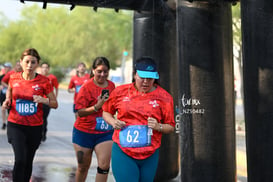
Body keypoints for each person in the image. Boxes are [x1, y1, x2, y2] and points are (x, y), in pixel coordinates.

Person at [102, 56, 175, 182]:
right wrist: (113, 122)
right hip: (123, 150)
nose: (146, 82)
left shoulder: (165, 97)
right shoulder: (120, 92)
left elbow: (171, 126)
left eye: (150, 78)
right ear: (135, 75)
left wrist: (159, 126)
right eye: (142, 77)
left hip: (150, 154)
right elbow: (106, 112)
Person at [3, 48, 58, 182]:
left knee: (28, 161)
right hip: (16, 125)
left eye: (33, 62)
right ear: (21, 62)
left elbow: (54, 104)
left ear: (37, 64)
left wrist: (44, 100)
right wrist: (7, 100)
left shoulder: (44, 81)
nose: (29, 65)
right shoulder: (13, 77)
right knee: (20, 159)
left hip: (35, 127)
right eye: (27, 62)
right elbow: (9, 92)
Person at [72, 57, 115, 182]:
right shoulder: (86, 87)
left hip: (105, 133)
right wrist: (96, 107)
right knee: (83, 167)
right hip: (84, 132)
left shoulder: (112, 86)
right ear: (93, 71)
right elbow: (79, 112)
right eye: (99, 71)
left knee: (104, 166)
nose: (102, 75)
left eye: (105, 72)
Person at [40, 62, 59, 141]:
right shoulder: (38, 77)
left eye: (46, 67)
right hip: (39, 101)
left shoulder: (52, 78)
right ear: (41, 68)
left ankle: (44, 133)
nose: (44, 69)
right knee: (38, 118)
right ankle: (38, 133)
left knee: (44, 118)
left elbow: (56, 88)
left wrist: (55, 98)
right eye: (43, 67)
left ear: (48, 69)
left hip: (47, 101)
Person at [0, 62, 12, 129]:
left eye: (7, 67)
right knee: (3, 108)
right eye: (5, 67)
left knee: (10, 110)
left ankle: (10, 122)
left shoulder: (13, 76)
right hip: (3, 94)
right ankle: (4, 123)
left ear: (10, 68)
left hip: (11, 95)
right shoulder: (1, 76)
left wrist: (8, 87)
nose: (5, 68)